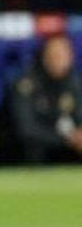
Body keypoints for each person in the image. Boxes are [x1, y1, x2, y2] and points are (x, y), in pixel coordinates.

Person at [5, 34, 82, 164]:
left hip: (72, 147)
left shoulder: (76, 82)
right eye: (54, 54)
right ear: (44, 57)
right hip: (38, 151)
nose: (59, 59)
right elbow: (26, 128)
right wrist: (66, 139)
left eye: (63, 54)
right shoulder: (27, 84)